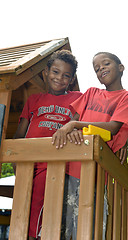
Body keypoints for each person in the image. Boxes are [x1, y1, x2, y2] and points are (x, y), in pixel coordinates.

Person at [52, 51, 128, 239]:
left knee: (89, 228)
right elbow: (73, 120)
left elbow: (113, 128)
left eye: (106, 64)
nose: (101, 69)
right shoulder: (91, 93)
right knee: (63, 227)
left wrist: (75, 125)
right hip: (70, 168)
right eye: (97, 69)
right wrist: (73, 127)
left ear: (121, 68)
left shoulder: (127, 97)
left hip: (97, 173)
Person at [13, 50, 82, 240]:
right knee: (23, 207)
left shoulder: (78, 98)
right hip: (30, 161)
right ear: (46, 71)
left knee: (41, 208)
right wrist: (15, 158)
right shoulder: (34, 100)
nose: (59, 78)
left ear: (72, 79)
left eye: (66, 75)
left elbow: (90, 119)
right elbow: (20, 133)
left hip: (57, 161)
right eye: (55, 72)